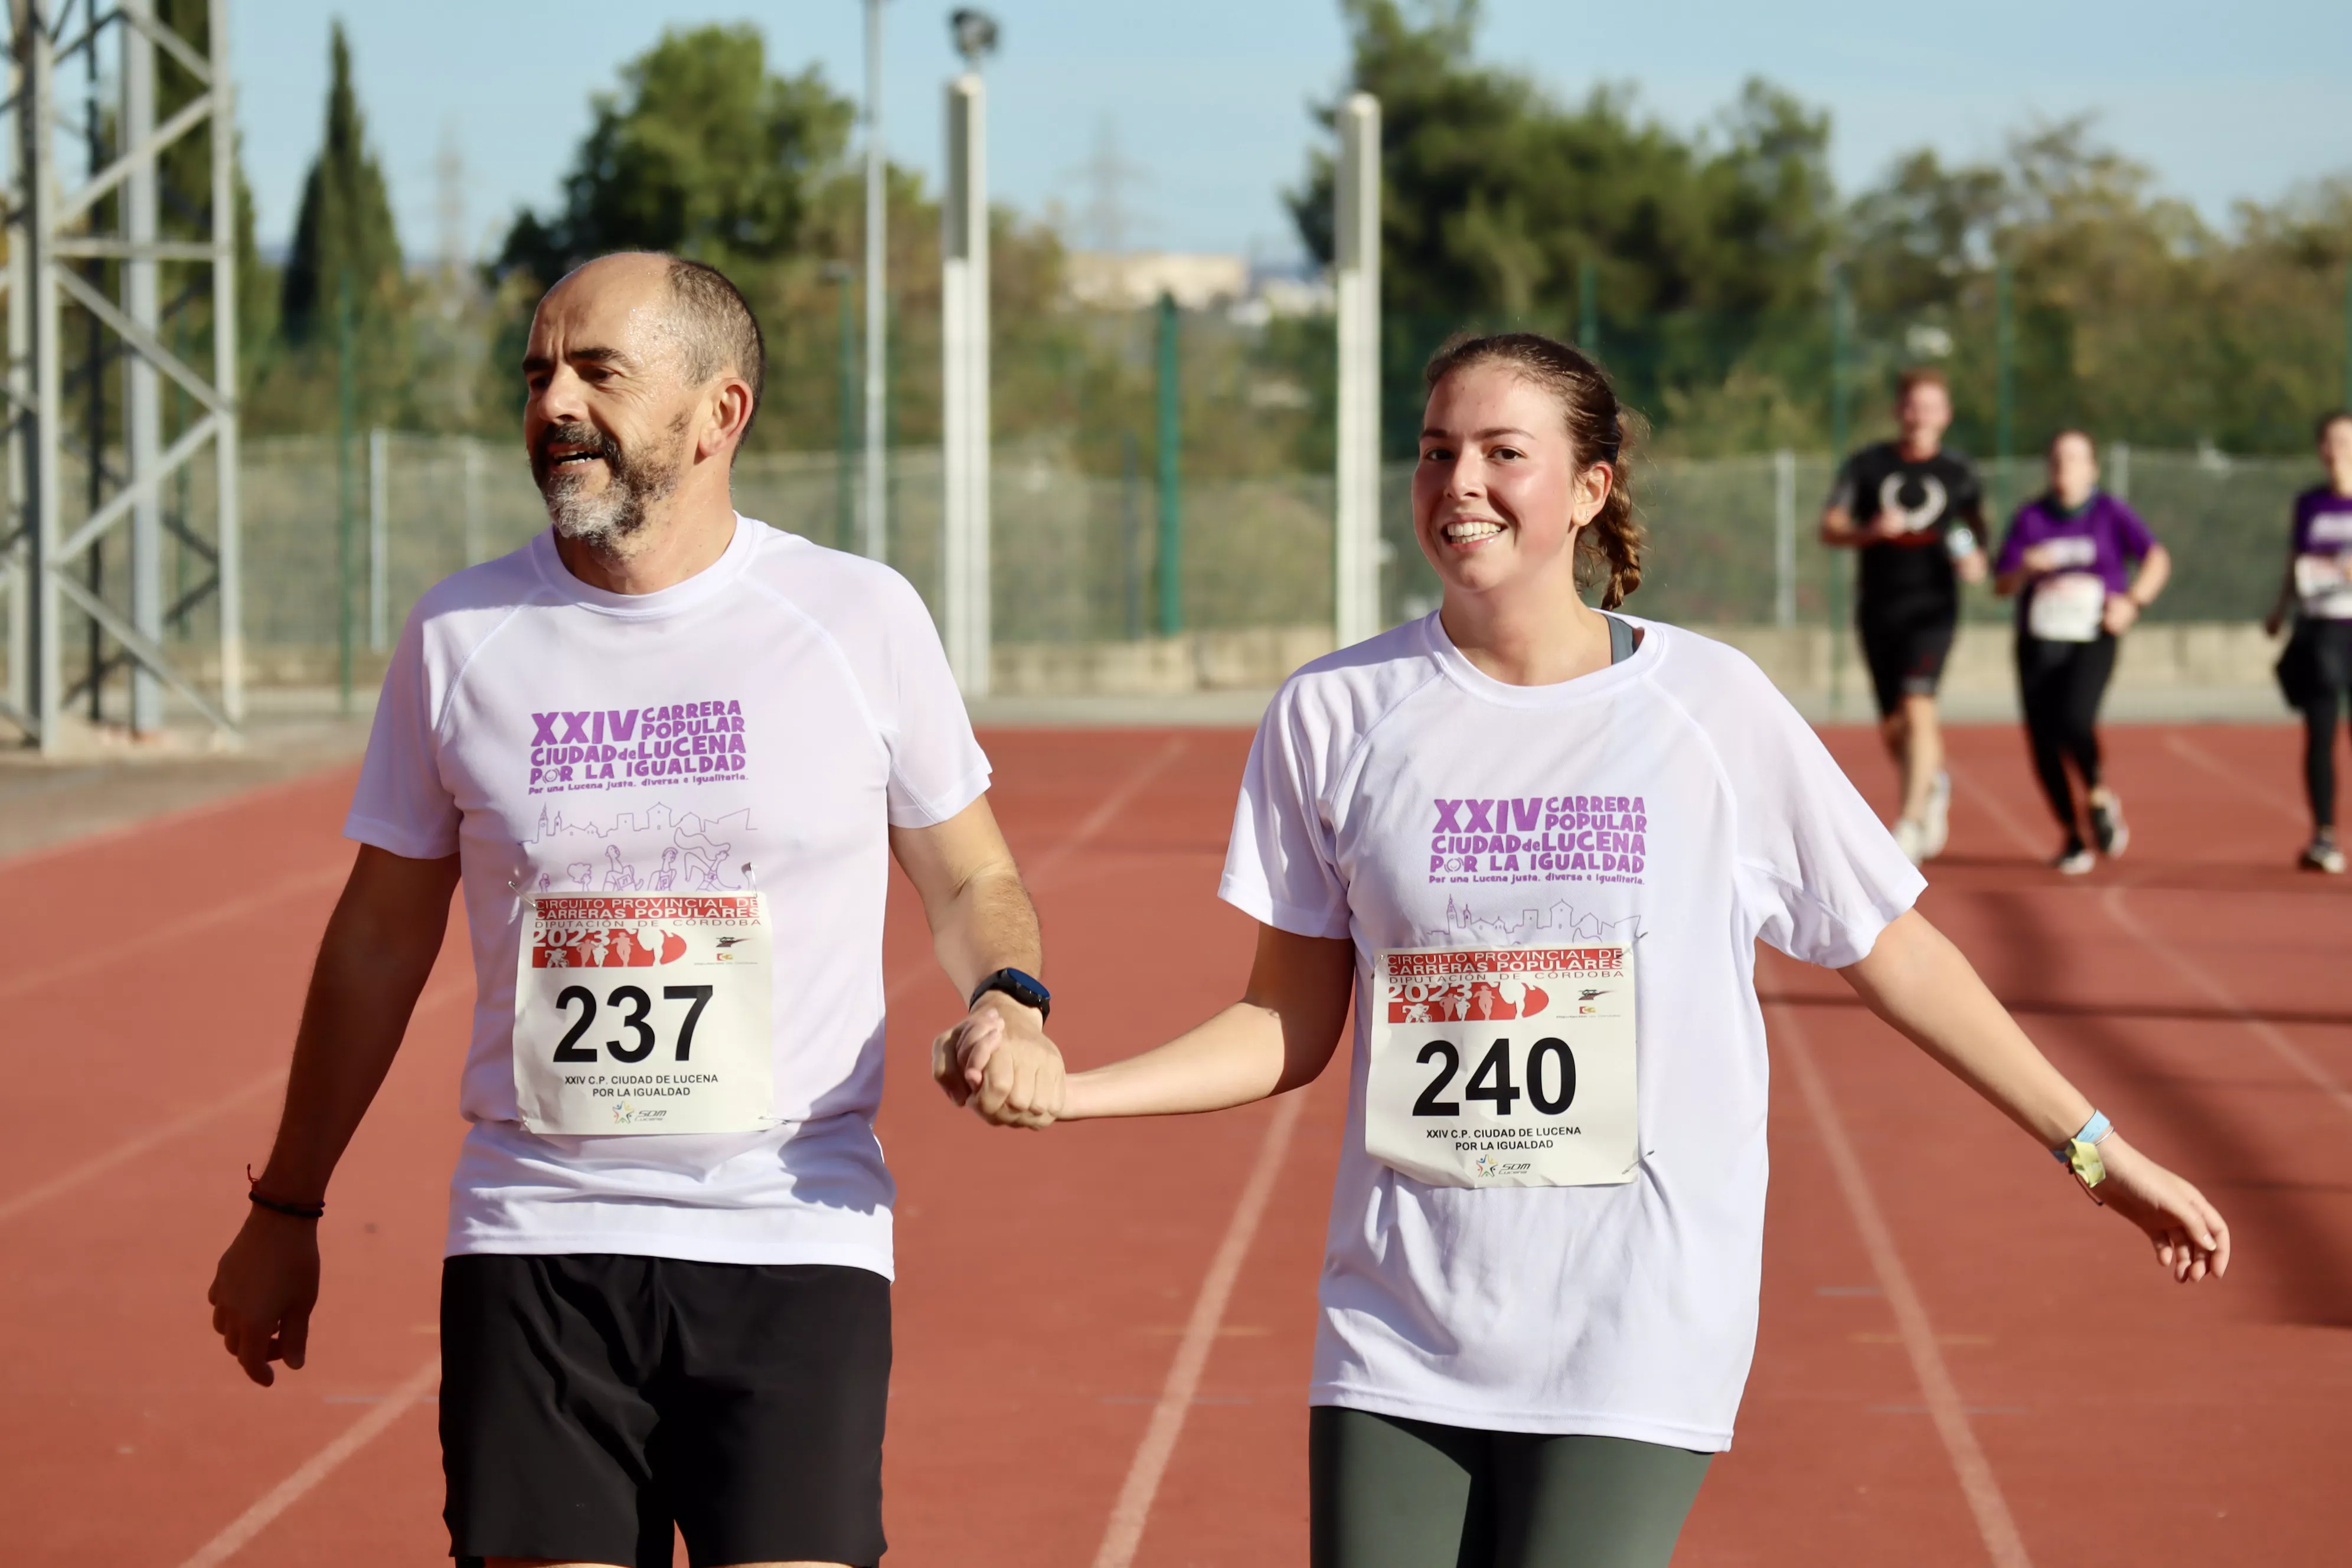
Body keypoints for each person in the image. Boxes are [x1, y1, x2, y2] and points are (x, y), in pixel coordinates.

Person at [942, 333, 2227, 1568]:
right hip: (1402, 1308)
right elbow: (1285, 1022)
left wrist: (2092, 1146)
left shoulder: (1709, 707)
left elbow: (1892, 951)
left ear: (1588, 489)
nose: (1462, 484)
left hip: (1637, 1305)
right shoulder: (1334, 714)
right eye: (1438, 450)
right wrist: (1077, 1084)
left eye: (1506, 452)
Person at [205, 253, 1063, 1568]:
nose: (552, 401)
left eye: (598, 371)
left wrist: (1009, 996)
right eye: (538, 371)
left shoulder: (856, 616)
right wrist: (289, 1206)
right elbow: (378, 941)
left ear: (718, 413)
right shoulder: (460, 634)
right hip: (537, 1230)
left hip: (792, 1223)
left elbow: (970, 875)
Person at [1820, 367, 1991, 864]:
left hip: (1933, 609)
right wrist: (1869, 532)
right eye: (1914, 406)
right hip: (1879, 607)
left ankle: (1911, 822)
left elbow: (1978, 533)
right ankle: (1933, 782)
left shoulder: (1959, 473)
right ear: (1900, 411)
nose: (1922, 417)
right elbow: (1831, 527)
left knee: (1920, 706)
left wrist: (1976, 558)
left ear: (1947, 415)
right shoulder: (1868, 466)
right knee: (1895, 727)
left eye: (1932, 407)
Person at [1992, 430, 2170, 874]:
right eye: (2056, 459)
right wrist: (2023, 569)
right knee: (2042, 741)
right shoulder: (2030, 517)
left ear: (2092, 468)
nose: (2063, 467)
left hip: (2092, 634)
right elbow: (2001, 585)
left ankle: (2096, 793)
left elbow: (2156, 558)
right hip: (2039, 637)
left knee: (2075, 718)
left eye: (2074, 459)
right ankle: (2072, 835)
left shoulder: (2110, 512)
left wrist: (2132, 603)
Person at [2263, 410, 2352, 874]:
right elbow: (2296, 559)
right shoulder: (2310, 505)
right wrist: (2280, 609)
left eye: (2344, 441)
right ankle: (2324, 835)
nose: (2335, 451)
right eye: (2328, 442)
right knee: (2320, 733)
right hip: (2320, 629)